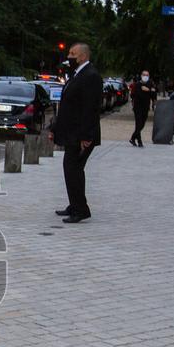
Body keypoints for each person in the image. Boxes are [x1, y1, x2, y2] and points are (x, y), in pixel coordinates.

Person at [49, 42, 102, 223]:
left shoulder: (91, 76)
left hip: (81, 136)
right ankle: (75, 204)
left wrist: (87, 136)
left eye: (73, 53)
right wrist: (54, 129)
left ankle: (81, 210)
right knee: (71, 169)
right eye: (69, 53)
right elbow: (67, 106)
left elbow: (90, 109)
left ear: (83, 56)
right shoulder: (76, 74)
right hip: (72, 134)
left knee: (74, 170)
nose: (69, 57)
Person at [130, 70, 156, 147]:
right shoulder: (138, 84)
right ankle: (139, 141)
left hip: (146, 107)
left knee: (142, 124)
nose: (145, 76)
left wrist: (148, 90)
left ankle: (133, 138)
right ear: (141, 75)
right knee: (138, 124)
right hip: (138, 107)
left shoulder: (150, 84)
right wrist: (149, 91)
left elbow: (154, 94)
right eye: (144, 75)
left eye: (147, 75)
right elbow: (139, 95)